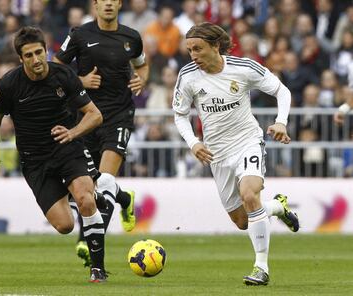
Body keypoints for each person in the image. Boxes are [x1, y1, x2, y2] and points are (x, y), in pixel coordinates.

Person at [0, 26, 108, 283]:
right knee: (64, 225)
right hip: (35, 160)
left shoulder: (63, 74)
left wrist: (73, 133)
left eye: (39, 52)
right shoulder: (8, 85)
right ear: (21, 59)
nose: (36, 60)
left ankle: (97, 269)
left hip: (67, 149)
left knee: (85, 200)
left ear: (46, 50)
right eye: (29, 55)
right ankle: (94, 194)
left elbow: (95, 115)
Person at [172, 22, 299, 286]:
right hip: (216, 153)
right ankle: (277, 207)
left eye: (198, 49)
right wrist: (193, 142)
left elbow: (281, 91)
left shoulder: (243, 68)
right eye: (189, 50)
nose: (193, 55)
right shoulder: (188, 76)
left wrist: (281, 121)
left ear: (215, 46)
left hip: (247, 141)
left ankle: (260, 267)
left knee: (249, 194)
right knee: (242, 221)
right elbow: (180, 115)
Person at [53, 0, 149, 266]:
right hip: (85, 118)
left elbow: (142, 65)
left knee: (104, 181)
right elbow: (55, 68)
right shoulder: (79, 34)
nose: (107, 3)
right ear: (94, 4)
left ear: (119, 4)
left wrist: (142, 78)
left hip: (119, 116)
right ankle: (124, 198)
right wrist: (79, 81)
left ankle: (87, 242)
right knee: (90, 187)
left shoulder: (132, 37)